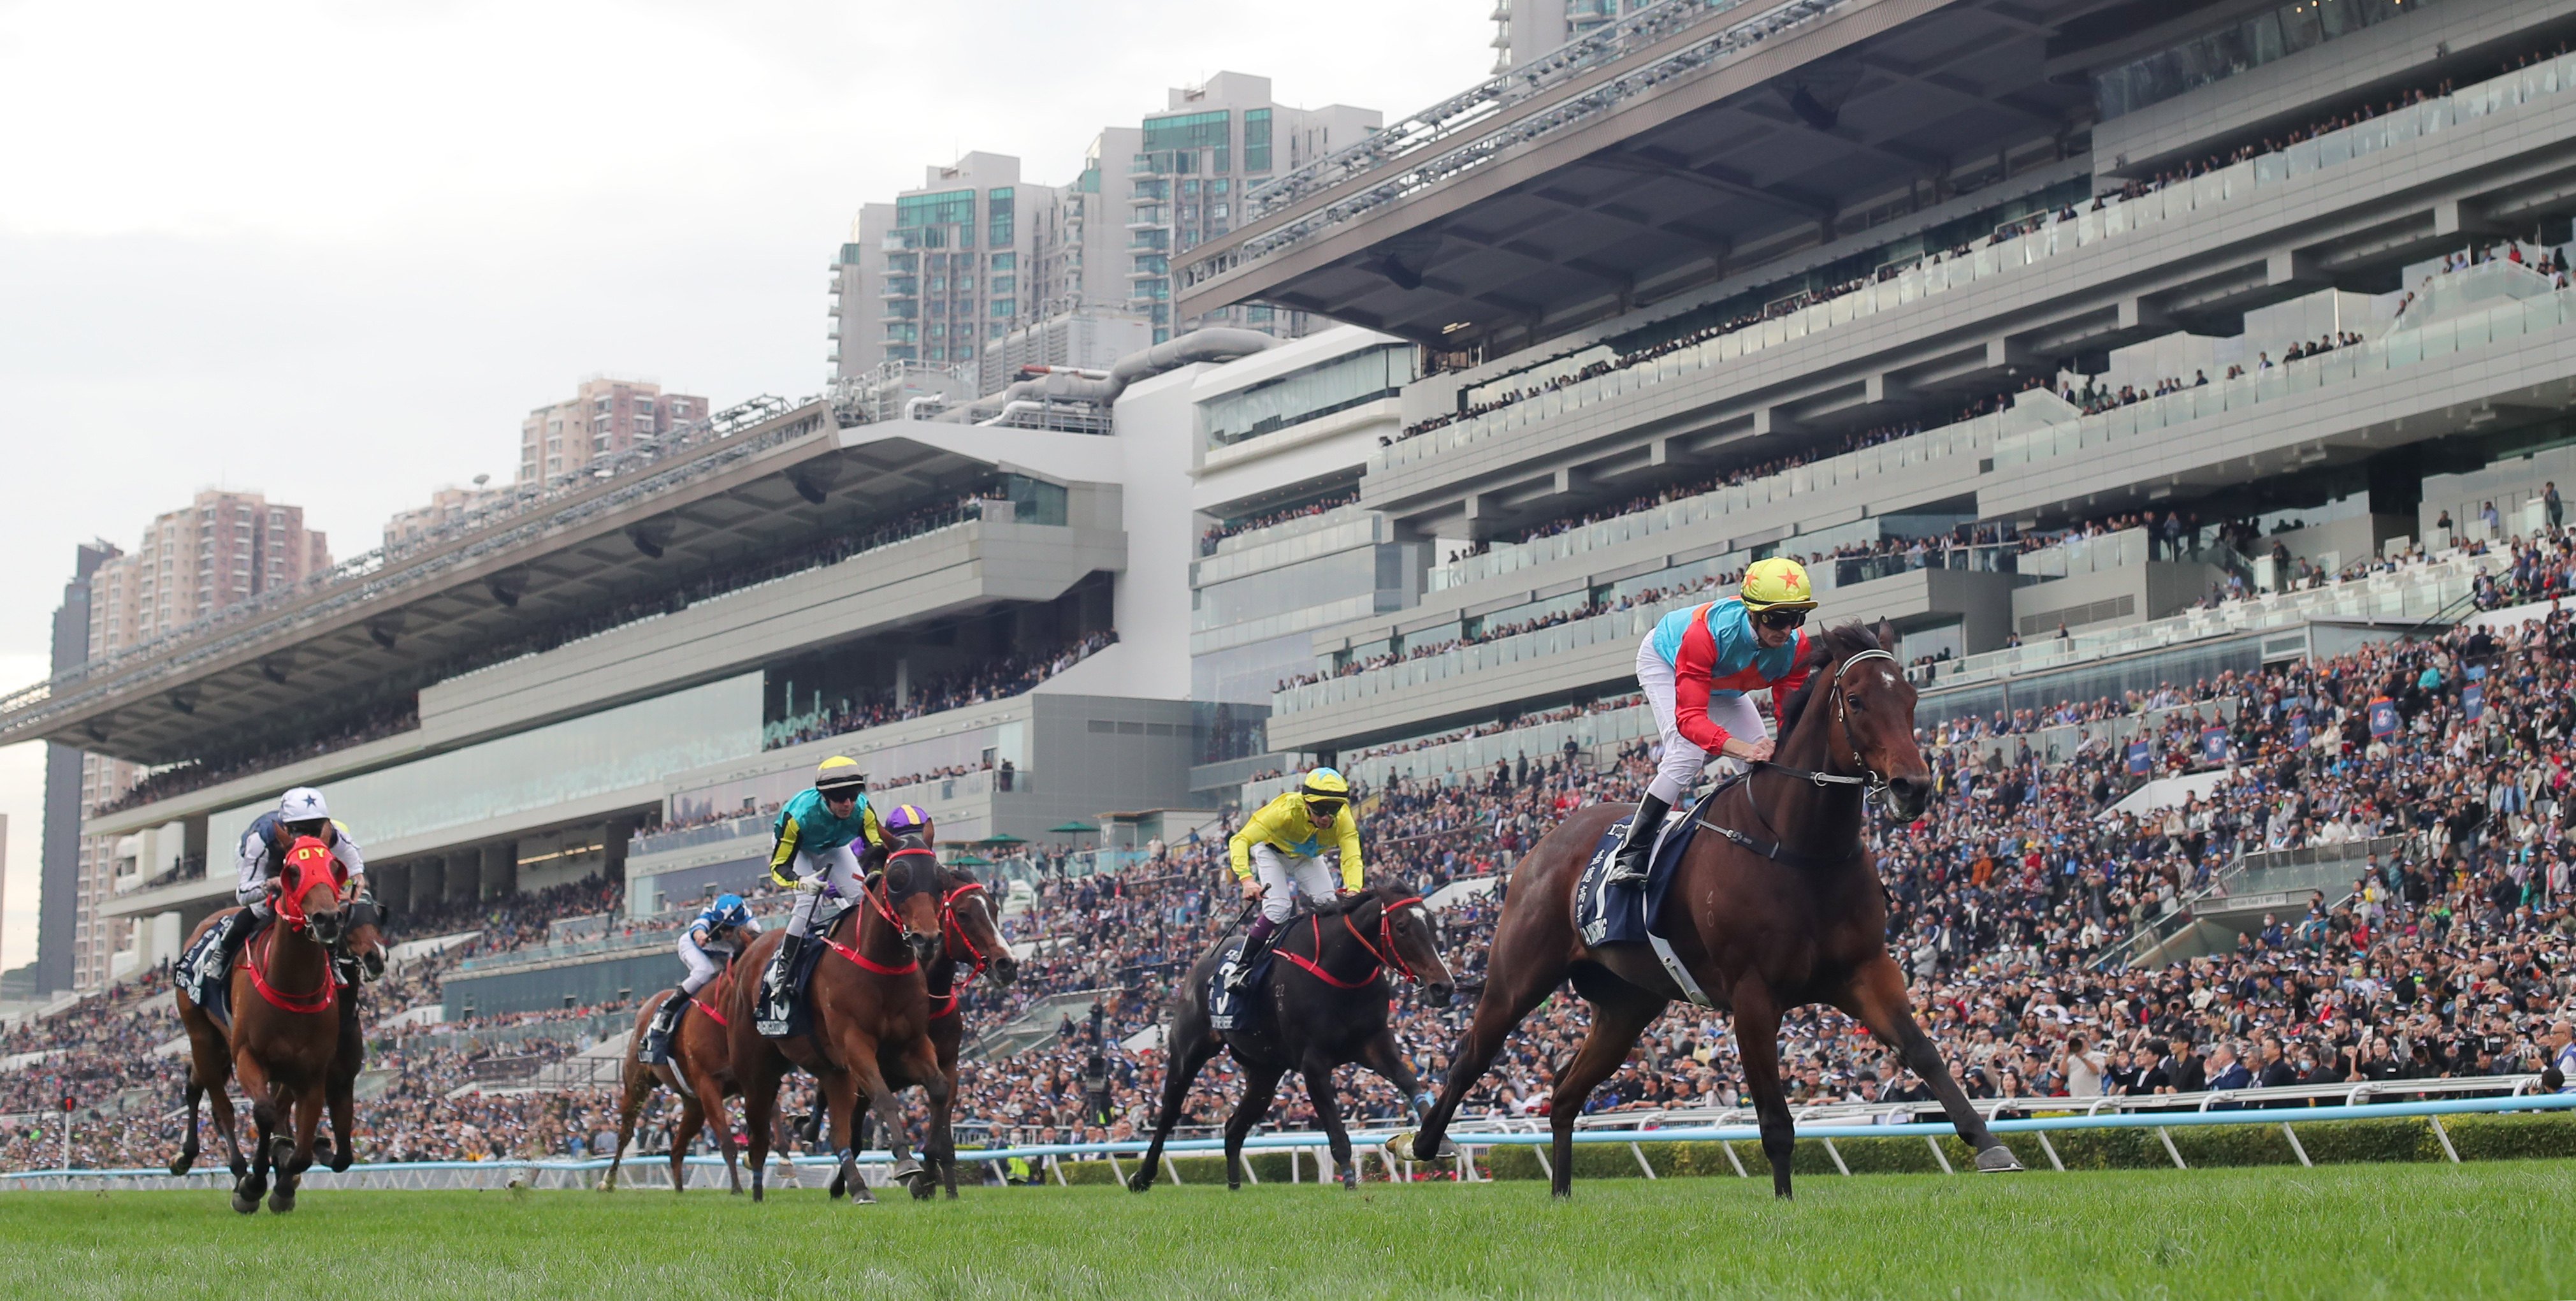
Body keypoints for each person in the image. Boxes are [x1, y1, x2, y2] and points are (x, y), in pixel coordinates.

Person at [1609, 556, 1816, 883]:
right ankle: (1631, 853)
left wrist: (1774, 746)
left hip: (1724, 682)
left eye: (1797, 618)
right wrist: (1741, 748)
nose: (1787, 630)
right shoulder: (1704, 633)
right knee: (1687, 755)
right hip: (1666, 660)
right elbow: (1690, 720)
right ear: (1754, 612)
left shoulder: (1797, 647)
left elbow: (1788, 716)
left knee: (1765, 767)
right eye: (1778, 619)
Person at [193, 787, 366, 996]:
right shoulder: (260, 840)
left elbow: (353, 861)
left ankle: (334, 962)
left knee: (325, 906)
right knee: (262, 909)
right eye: (300, 830)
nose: (308, 837)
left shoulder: (333, 833)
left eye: (315, 829)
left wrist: (357, 877)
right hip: (268, 866)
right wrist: (270, 884)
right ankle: (221, 954)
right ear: (285, 827)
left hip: (302, 865)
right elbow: (244, 893)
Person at [755, 756, 887, 1031]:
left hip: (834, 847)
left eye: (852, 796)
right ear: (825, 797)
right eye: (840, 798)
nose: (847, 804)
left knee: (864, 898)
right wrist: (802, 882)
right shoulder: (799, 815)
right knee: (809, 904)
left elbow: (878, 847)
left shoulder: (863, 809)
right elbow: (779, 868)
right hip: (798, 849)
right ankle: (783, 968)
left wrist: (874, 873)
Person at [1224, 768, 1364, 990]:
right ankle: (1242, 967)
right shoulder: (1284, 811)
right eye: (1320, 809)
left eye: (1333, 809)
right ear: (1306, 803)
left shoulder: (1344, 818)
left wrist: (1354, 888)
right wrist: (1247, 879)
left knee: (1330, 906)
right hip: (1272, 851)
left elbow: (1352, 856)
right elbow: (1240, 840)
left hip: (1306, 856)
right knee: (1279, 907)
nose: (1327, 817)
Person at [639, 892, 762, 1065]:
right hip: (693, 947)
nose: (727, 932)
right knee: (705, 971)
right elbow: (698, 929)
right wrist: (700, 936)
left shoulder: (750, 921)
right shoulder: (707, 916)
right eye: (724, 927)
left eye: (731, 928)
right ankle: (667, 1010)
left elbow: (758, 942)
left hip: (721, 953)